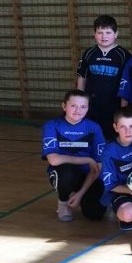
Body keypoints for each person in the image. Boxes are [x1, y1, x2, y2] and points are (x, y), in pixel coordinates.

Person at [41, 90, 107, 222]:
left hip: (88, 175)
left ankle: (80, 197)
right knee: (67, 172)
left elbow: (97, 166)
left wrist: (81, 193)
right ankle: (63, 202)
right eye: (73, 106)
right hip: (63, 173)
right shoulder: (52, 125)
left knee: (95, 214)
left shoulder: (94, 128)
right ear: (64, 106)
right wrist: (87, 159)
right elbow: (54, 160)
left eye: (83, 107)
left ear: (88, 108)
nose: (78, 111)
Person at [76, 14, 130, 140]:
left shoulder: (124, 55)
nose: (104, 36)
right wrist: (79, 102)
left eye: (108, 32)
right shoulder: (89, 53)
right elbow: (82, 78)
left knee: (113, 139)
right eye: (100, 32)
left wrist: (124, 108)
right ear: (94, 34)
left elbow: (126, 84)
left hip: (114, 107)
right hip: (92, 106)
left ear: (116, 34)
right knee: (92, 138)